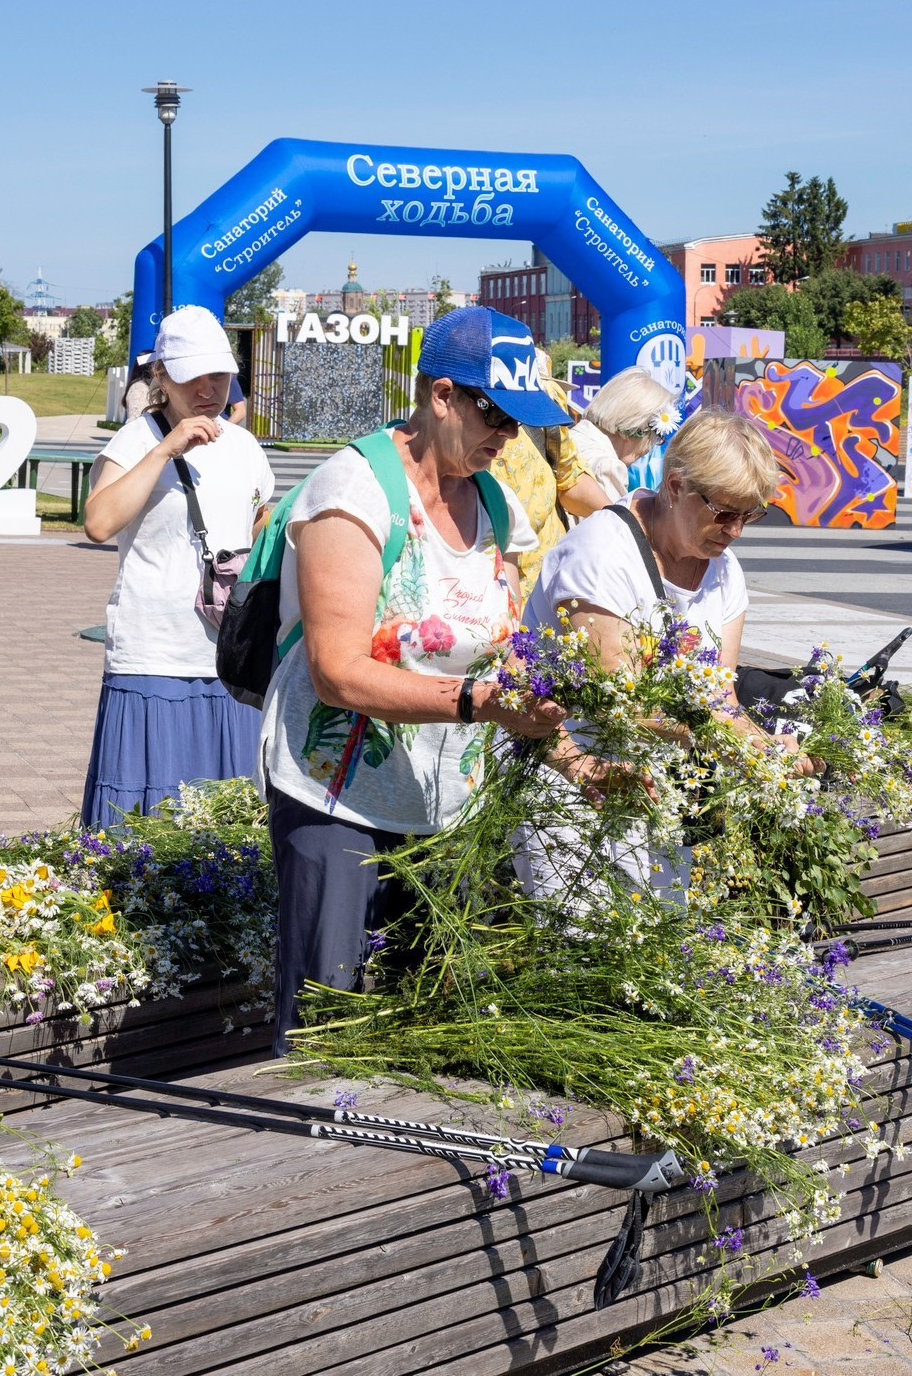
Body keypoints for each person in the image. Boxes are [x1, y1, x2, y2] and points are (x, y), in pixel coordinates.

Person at [260, 305, 568, 1043]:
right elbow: (337, 673)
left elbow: (508, 654)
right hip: (340, 792)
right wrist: (475, 701)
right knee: (326, 1022)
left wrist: (569, 749)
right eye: (496, 414)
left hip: (450, 803)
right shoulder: (355, 490)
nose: (508, 436)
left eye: (520, 422)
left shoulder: (496, 502)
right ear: (441, 396)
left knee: (432, 1026)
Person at [514, 409, 787, 902]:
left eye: (751, 515)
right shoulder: (602, 554)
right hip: (578, 779)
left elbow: (719, 696)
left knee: (662, 945)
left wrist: (771, 750)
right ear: (677, 485)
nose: (737, 531)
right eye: (725, 512)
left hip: (659, 786)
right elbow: (621, 705)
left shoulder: (723, 569)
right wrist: (741, 746)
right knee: (583, 955)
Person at [80, 305, 274, 827]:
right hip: (155, 653)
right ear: (163, 377)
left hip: (231, 654)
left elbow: (257, 522)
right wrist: (165, 449)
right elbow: (98, 522)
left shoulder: (245, 446)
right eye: (195, 377)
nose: (210, 389)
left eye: (220, 374)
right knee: (150, 815)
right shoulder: (138, 439)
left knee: (231, 816)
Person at [558, 368, 676, 519]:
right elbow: (615, 535)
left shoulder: (571, 439)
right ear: (635, 428)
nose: (649, 448)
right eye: (656, 436)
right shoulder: (606, 466)